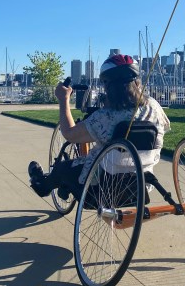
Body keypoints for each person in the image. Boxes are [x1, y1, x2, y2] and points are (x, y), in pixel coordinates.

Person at [28, 54, 170, 200]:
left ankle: (42, 186)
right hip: (142, 181)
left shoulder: (105, 117)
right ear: (137, 82)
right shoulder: (154, 107)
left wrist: (63, 100)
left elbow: (69, 134)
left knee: (63, 168)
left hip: (102, 185)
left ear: (108, 85)